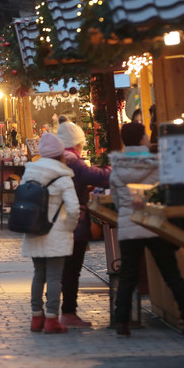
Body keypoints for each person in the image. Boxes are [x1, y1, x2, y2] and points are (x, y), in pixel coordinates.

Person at [110, 122, 184, 338]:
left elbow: (117, 201)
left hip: (130, 225)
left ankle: (122, 322)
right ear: (142, 139)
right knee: (171, 273)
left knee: (128, 275)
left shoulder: (118, 167)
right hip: (155, 223)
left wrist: (128, 212)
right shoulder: (158, 164)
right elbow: (167, 193)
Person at [21, 133, 80, 334]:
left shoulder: (29, 172)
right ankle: (52, 319)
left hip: (34, 230)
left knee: (39, 274)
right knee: (55, 277)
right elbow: (73, 208)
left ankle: (36, 317)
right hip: (56, 233)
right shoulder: (63, 176)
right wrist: (69, 227)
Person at [57, 121, 111, 328]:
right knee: (72, 269)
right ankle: (69, 313)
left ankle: (54, 311)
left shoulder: (56, 159)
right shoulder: (74, 162)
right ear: (76, 143)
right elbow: (103, 178)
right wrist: (115, 166)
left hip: (57, 223)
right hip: (73, 224)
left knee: (61, 269)